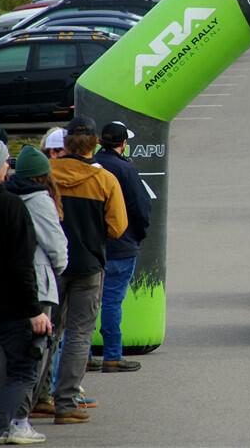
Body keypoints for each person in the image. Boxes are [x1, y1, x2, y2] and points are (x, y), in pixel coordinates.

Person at [49, 116, 127, 424]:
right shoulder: (105, 180)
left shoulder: (48, 175)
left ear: (65, 144)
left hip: (51, 267)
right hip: (88, 263)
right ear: (94, 143)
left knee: (47, 332)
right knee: (79, 333)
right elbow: (118, 227)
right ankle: (66, 401)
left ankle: (39, 396)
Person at [0, 138, 53, 446]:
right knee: (23, 371)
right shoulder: (10, 205)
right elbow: (21, 264)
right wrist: (35, 310)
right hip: (10, 307)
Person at [0, 145, 68, 444]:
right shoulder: (39, 200)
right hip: (37, 285)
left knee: (5, 357)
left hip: (6, 285)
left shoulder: (5, 195)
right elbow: (55, 244)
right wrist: (60, 268)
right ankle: (18, 421)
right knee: (33, 355)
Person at [95, 122, 152, 374]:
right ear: (123, 144)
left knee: (82, 305)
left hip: (89, 247)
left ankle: (82, 354)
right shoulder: (125, 169)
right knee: (111, 302)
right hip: (121, 245)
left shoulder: (91, 166)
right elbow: (141, 208)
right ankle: (112, 355)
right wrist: (137, 235)